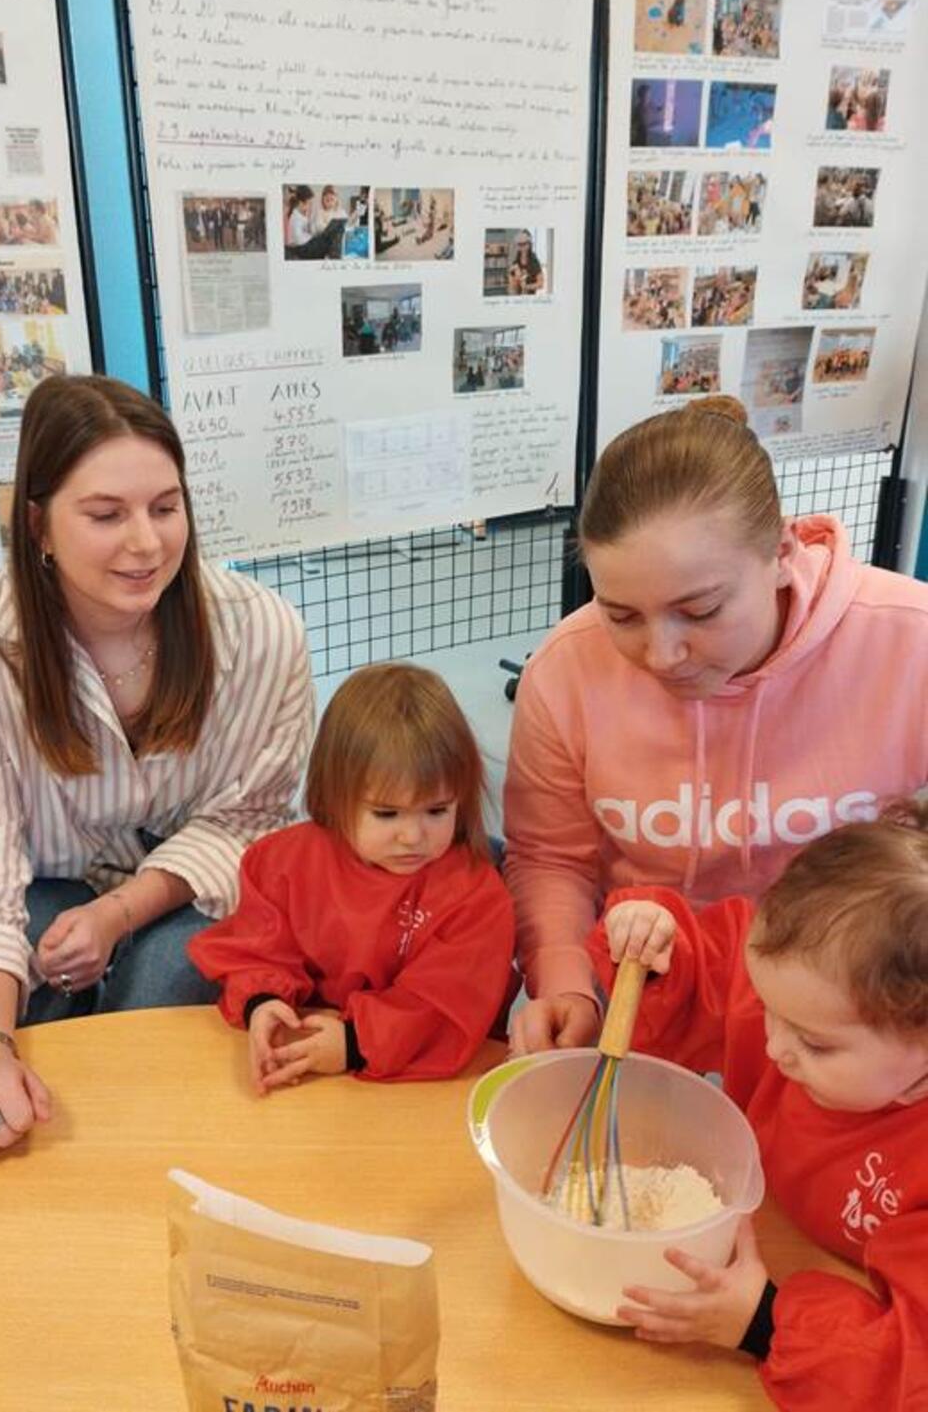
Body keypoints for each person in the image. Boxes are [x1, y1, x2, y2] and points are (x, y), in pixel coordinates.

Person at [0, 374, 314, 1159]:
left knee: (165, 982)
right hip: (43, 889)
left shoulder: (261, 632)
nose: (147, 543)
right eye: (106, 514)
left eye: (165, 505)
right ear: (40, 525)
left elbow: (247, 820)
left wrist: (120, 915)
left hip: (190, 885)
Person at [503, 395, 928, 1054]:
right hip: (642, 1000)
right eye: (620, 615)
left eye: (699, 611)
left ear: (782, 551)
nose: (661, 654)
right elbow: (550, 855)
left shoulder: (909, 641)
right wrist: (564, 981)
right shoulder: (566, 669)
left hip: (843, 1030)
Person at [588, 801, 928, 1406]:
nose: (772, 1046)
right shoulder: (801, 990)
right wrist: (655, 938)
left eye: (814, 1044)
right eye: (770, 1011)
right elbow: (711, 971)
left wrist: (763, 1321)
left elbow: (909, 1369)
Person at [188, 664, 516, 1091]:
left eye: (437, 810)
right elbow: (258, 946)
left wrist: (355, 1041)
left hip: (420, 1085)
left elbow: (446, 1004)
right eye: (386, 813)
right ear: (333, 795)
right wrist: (263, 1003)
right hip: (304, 1064)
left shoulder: (476, 897)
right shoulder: (284, 863)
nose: (413, 836)